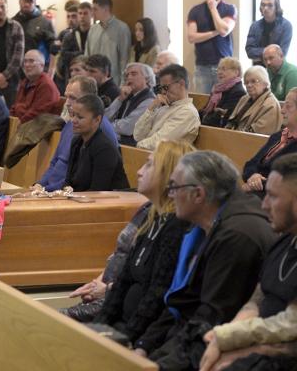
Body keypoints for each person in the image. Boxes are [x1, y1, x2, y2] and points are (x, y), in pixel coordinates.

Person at [133, 151, 275, 370]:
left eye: (174, 187)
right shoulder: (207, 224)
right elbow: (184, 301)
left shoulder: (237, 237)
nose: (170, 195)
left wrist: (156, 364)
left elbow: (210, 321)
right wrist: (144, 345)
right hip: (186, 338)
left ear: (198, 195)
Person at [200, 153, 297, 371]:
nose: (264, 205)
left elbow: (292, 325)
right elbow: (257, 298)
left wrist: (228, 339)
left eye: (273, 196)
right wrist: (221, 342)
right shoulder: (284, 241)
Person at [89, 141, 193, 344]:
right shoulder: (151, 216)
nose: (138, 171)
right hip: (118, 325)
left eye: (148, 165)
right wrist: (99, 327)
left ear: (169, 175)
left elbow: (156, 296)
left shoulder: (176, 227)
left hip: (136, 335)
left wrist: (123, 340)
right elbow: (123, 282)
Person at [39, 76, 118, 192]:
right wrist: (39, 184)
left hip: (75, 194)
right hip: (54, 191)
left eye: (73, 98)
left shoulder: (96, 128)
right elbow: (55, 162)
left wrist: (46, 190)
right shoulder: (72, 123)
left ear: (89, 99)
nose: (67, 103)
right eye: (66, 97)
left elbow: (78, 178)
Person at [65, 95, 129, 191]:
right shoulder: (76, 142)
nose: (73, 120)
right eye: (73, 115)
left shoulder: (105, 149)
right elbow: (68, 181)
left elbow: (97, 191)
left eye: (80, 117)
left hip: (110, 202)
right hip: (81, 199)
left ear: (97, 120)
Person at [186, 0, 237, 93]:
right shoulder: (196, 10)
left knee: (223, 103)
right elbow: (191, 37)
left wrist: (213, 8)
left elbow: (224, 31)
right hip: (202, 67)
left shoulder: (230, 8)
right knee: (203, 104)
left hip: (224, 66)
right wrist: (215, 32)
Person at [242, 88, 297, 196]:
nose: (282, 110)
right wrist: (253, 176)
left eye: (288, 106)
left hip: (275, 198)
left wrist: (255, 184)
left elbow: (287, 182)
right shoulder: (278, 135)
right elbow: (251, 163)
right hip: (256, 192)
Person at [134, 64, 200, 150]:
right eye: (160, 88)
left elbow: (158, 143)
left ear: (181, 84)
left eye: (165, 87)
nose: (162, 92)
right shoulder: (163, 106)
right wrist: (151, 108)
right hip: (149, 155)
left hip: (168, 161)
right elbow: (138, 135)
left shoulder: (187, 112)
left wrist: (136, 146)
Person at [104, 63, 156, 145]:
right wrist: (120, 99)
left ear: (146, 78)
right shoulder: (127, 95)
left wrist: (103, 126)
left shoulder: (149, 100)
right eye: (127, 75)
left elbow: (127, 128)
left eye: (134, 74)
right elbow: (106, 117)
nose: (129, 77)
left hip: (134, 148)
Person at [85, 0, 131, 86]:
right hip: (92, 81)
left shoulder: (122, 28)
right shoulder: (93, 29)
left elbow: (124, 59)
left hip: (113, 82)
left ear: (105, 9)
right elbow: (87, 55)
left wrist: (122, 83)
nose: (92, 12)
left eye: (95, 9)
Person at [225, 65, 282, 135]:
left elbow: (256, 134)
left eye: (253, 81)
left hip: (251, 142)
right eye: (246, 82)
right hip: (234, 137)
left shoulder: (271, 105)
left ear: (265, 83)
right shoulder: (244, 98)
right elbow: (231, 121)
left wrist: (232, 136)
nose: (249, 85)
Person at [9, 50, 60, 123]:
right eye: (25, 61)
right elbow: (15, 107)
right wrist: (9, 120)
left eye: (31, 61)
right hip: (20, 125)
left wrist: (16, 124)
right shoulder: (25, 82)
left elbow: (37, 115)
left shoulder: (46, 85)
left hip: (36, 129)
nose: (27, 65)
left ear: (42, 65)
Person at [246, 0, 293, 65]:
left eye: (270, 5)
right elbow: (249, 51)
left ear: (276, 8)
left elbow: (282, 53)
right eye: (263, 5)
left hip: (278, 68)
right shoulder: (255, 26)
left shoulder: (286, 25)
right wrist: (272, 52)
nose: (265, 8)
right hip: (259, 68)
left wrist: (260, 53)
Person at [12, 0, 56, 68]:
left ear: (35, 4)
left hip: (38, 68)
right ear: (19, 2)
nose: (26, 4)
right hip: (17, 69)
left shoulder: (45, 22)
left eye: (30, 2)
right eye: (24, 1)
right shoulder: (13, 22)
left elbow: (53, 48)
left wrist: (50, 70)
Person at [199, 57, 246, 127]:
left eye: (224, 69)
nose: (219, 72)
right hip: (208, 126)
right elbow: (205, 110)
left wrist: (202, 119)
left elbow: (221, 118)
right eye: (218, 69)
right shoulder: (217, 89)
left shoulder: (238, 92)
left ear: (236, 72)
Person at [58, 2, 93, 91]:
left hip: (91, 73)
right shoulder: (69, 35)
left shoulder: (95, 33)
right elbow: (64, 55)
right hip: (73, 74)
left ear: (91, 14)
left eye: (85, 13)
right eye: (80, 13)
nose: (82, 16)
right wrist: (83, 54)